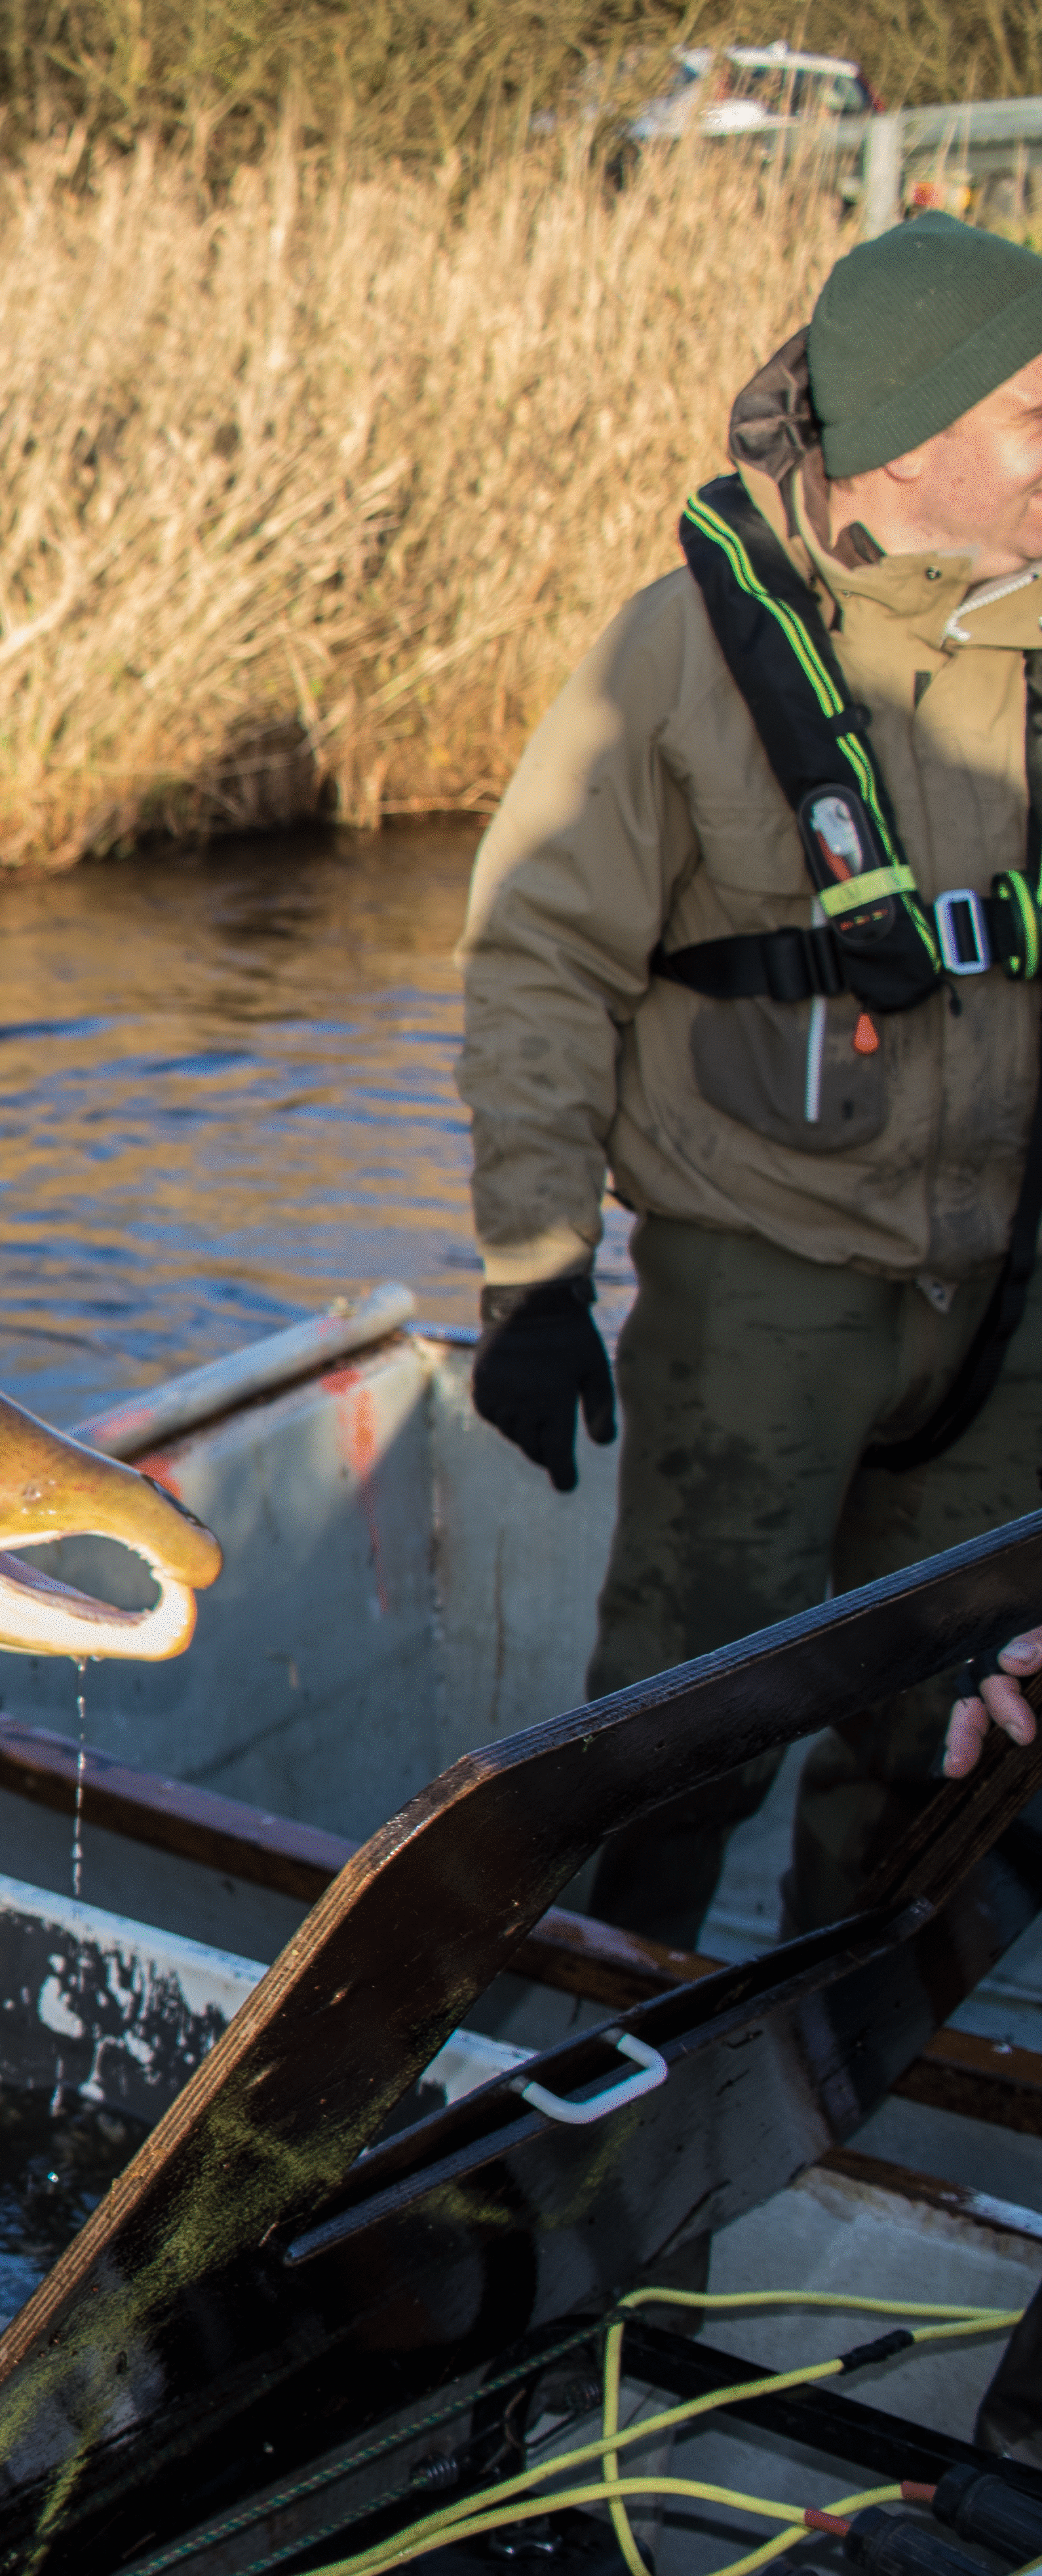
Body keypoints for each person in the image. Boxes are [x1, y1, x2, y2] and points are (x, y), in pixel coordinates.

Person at [459, 212, 1042, 1950]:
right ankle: (596, 2074)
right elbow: (536, 969)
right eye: (1038, 415)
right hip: (760, 1287)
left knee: (954, 1727)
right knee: (685, 1728)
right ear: (915, 432)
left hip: (1010, 1295)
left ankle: (859, 2066)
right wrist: (535, 1276)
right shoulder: (681, 657)